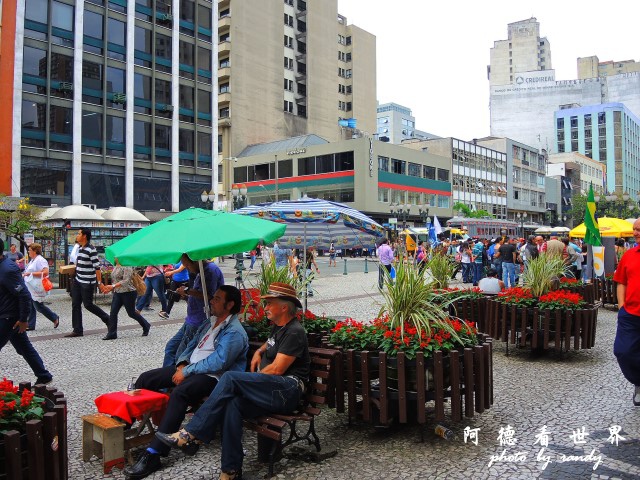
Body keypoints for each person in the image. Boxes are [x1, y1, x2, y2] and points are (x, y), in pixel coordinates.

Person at [155, 282, 310, 480]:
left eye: (270, 304)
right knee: (232, 405)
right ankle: (230, 471)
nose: (266, 307)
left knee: (229, 377)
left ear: (284, 307)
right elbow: (270, 344)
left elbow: (277, 369)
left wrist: (248, 379)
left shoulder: (295, 331)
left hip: (288, 390)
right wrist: (260, 352)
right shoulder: (279, 328)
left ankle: (191, 434)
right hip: (273, 390)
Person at [123, 285, 249, 479]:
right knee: (147, 378)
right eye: (213, 297)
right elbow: (191, 345)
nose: (212, 301)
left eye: (217, 298)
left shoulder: (235, 332)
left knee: (181, 392)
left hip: (214, 378)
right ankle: (124, 424)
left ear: (230, 304)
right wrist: (182, 364)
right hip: (191, 369)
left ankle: (154, 454)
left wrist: (188, 371)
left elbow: (219, 362)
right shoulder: (210, 322)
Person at [0, 239, 53, 385]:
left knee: (23, 346)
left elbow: (23, 295)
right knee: (23, 346)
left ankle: (43, 375)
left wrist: (23, 319)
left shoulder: (7, 269)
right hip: (5, 314)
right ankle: (43, 375)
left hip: (9, 317)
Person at [163, 254, 224, 368]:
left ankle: (170, 380)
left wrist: (187, 291)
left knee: (180, 355)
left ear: (195, 261)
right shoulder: (201, 271)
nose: (186, 268)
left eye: (186, 265)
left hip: (199, 320)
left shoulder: (210, 271)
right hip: (192, 319)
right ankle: (165, 378)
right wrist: (186, 295)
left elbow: (209, 295)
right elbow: (200, 294)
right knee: (171, 348)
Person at [613, 218, 640, 406]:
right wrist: (622, 305)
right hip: (630, 315)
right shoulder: (629, 255)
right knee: (623, 351)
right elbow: (621, 281)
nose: (636, 232)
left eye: (639, 229)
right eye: (634, 229)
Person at [66, 228, 110, 338]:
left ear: (84, 236)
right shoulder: (80, 248)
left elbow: (97, 268)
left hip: (87, 282)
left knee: (88, 305)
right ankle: (77, 329)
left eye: (79, 234)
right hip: (78, 280)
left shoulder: (91, 250)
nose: (77, 235)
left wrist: (99, 283)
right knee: (75, 304)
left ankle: (107, 319)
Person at [101, 258, 151, 340]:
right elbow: (115, 279)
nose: (115, 257)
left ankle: (146, 325)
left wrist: (112, 286)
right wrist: (109, 288)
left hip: (129, 292)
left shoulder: (127, 265)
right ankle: (112, 333)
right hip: (118, 292)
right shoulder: (116, 265)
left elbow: (126, 281)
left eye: (116, 256)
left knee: (131, 313)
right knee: (113, 312)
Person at [22, 243, 59, 330]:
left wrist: (30, 273)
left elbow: (45, 272)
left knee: (38, 306)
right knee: (31, 305)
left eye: (30, 250)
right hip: (31, 286)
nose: (28, 252)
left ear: (35, 251)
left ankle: (54, 317)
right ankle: (31, 324)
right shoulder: (33, 260)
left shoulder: (40, 260)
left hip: (36, 286)